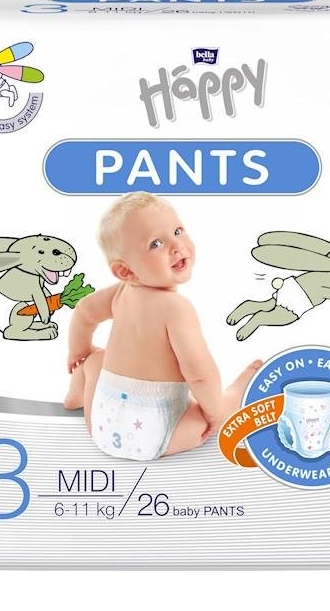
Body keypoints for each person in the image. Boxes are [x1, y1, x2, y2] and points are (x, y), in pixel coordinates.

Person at [64, 192, 261, 460]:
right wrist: (212, 412)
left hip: (101, 427)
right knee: (208, 413)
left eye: (178, 231)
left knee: (93, 360)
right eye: (156, 243)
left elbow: (85, 310)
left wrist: (78, 350)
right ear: (125, 271)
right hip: (155, 435)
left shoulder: (120, 293)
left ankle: (76, 396)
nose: (177, 246)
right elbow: (199, 374)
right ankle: (235, 395)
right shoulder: (176, 308)